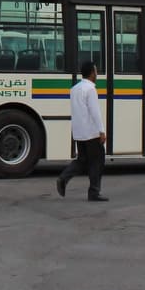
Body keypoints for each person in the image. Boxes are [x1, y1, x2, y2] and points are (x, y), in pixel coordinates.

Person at [57, 59, 108, 202]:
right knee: (97, 161)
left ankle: (63, 178)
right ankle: (94, 192)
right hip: (91, 132)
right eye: (96, 71)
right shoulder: (91, 89)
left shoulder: (75, 89)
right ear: (92, 73)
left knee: (82, 160)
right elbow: (95, 111)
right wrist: (101, 131)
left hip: (79, 132)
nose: (97, 73)